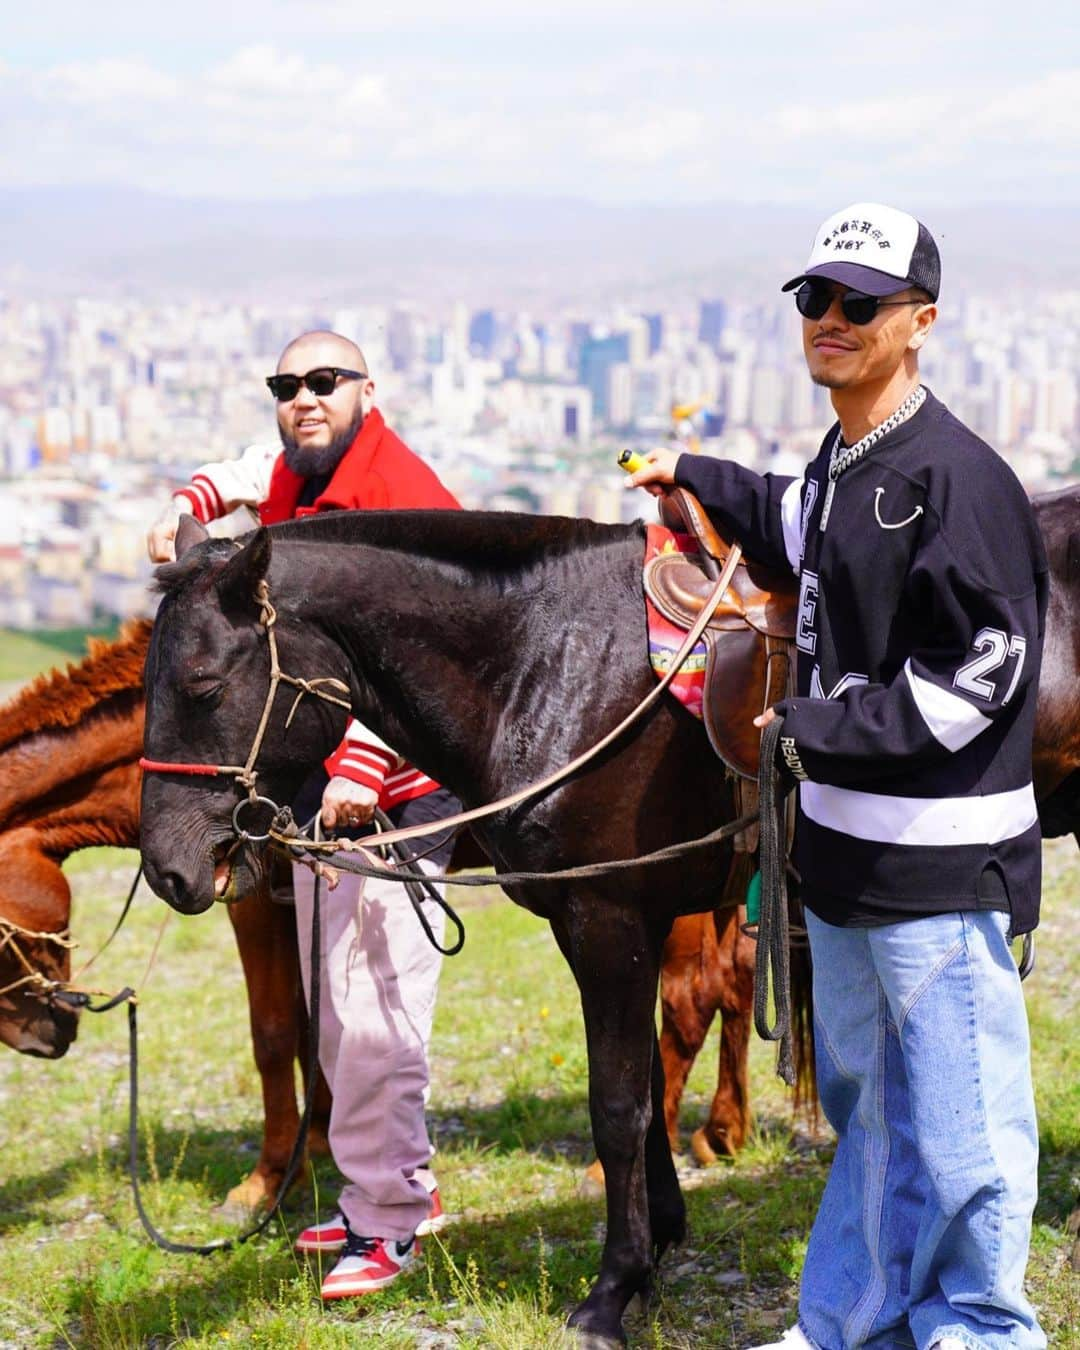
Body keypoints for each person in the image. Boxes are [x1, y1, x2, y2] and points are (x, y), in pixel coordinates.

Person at [628, 203, 1047, 1350]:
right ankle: (855, 1322)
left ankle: (979, 1336)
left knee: (964, 1129)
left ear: (920, 322)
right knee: (867, 1117)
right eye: (816, 299)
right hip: (847, 865)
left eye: (860, 304)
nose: (831, 320)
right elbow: (799, 522)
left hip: (941, 868)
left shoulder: (958, 478)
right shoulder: (850, 458)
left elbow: (982, 677)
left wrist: (816, 727)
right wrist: (696, 474)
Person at [148, 331, 461, 1300]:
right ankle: (372, 1196)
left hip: (391, 793)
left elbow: (426, 653)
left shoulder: (398, 496)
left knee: (376, 1014)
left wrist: (364, 765)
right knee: (341, 1010)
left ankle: (398, 1219)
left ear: (369, 388)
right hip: (327, 796)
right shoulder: (300, 471)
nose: (303, 398)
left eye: (324, 382)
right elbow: (253, 464)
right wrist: (192, 498)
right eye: (287, 386)